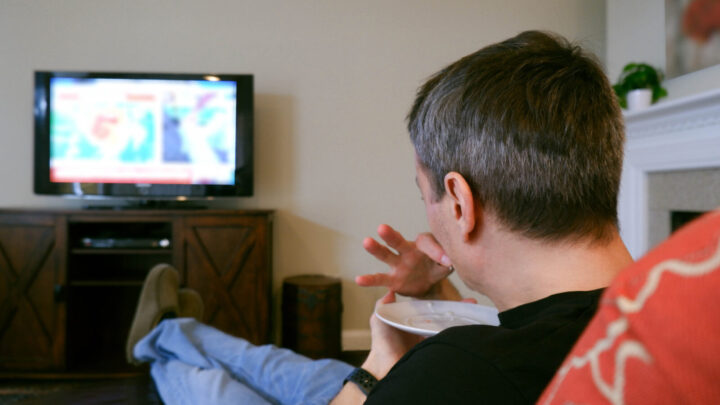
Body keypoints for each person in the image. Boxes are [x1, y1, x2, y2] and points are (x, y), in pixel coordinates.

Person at [126, 30, 633, 405]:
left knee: (211, 389)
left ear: (460, 202)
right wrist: (437, 302)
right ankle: (175, 327)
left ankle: (162, 343)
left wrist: (377, 366)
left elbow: (466, 372)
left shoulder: (464, 370)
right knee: (282, 366)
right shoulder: (667, 308)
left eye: (425, 198)